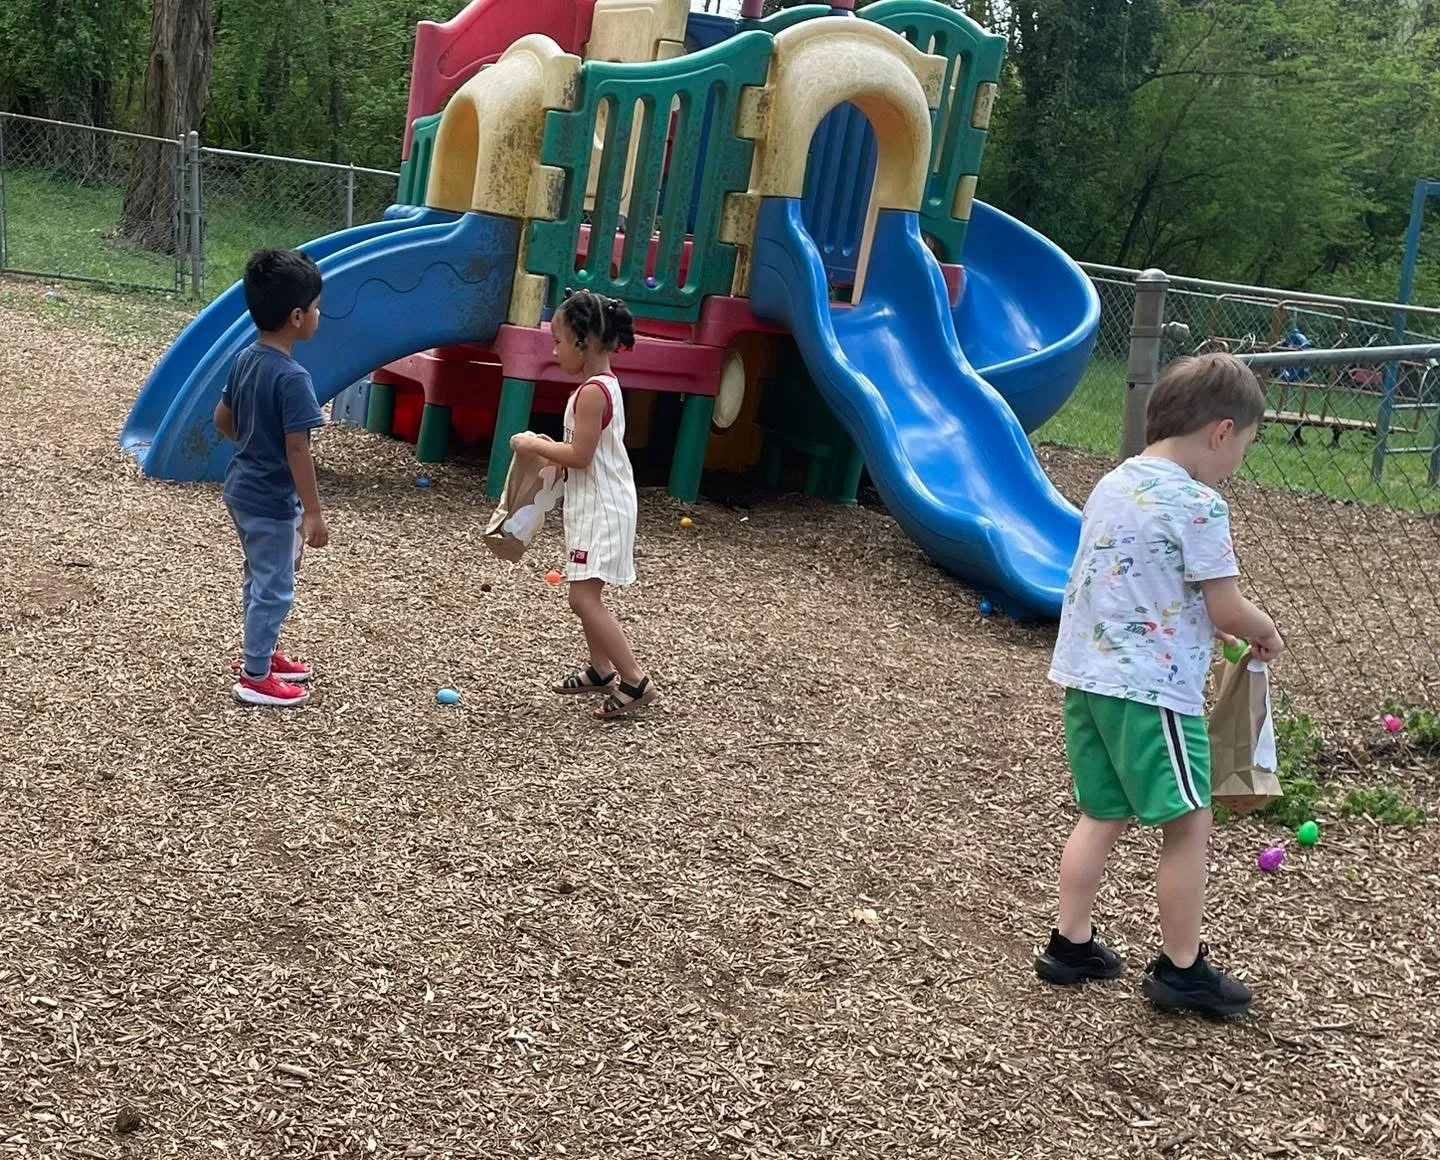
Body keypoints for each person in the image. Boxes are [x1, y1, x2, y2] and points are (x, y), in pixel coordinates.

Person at [1038, 352, 1284, 1017]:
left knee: (1103, 812)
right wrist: (1262, 629)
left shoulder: (1113, 484)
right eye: (1244, 447)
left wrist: (1214, 630)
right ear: (1220, 432)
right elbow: (1226, 604)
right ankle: (1182, 968)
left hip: (1088, 681)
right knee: (1189, 822)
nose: (1237, 462)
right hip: (1153, 692)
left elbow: (1142, 585)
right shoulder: (1200, 505)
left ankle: (1070, 944)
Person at [509, 289, 658, 720]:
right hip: (595, 501)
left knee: (581, 596)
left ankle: (634, 679)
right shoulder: (599, 388)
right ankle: (600, 669)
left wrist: (534, 443)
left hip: (603, 506)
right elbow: (582, 451)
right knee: (584, 582)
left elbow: (581, 456)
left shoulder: (593, 393)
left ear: (584, 340)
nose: (553, 350)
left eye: (557, 340)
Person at [213, 249, 330, 708]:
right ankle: (255, 675)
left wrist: (253, 445)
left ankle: (260, 650)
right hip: (270, 500)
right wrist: (314, 513)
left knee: (259, 577)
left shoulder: (246, 358)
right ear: (297, 317)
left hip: (241, 490)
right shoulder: (293, 377)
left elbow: (223, 418)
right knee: (277, 585)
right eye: (317, 307)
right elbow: (297, 449)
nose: (320, 314)